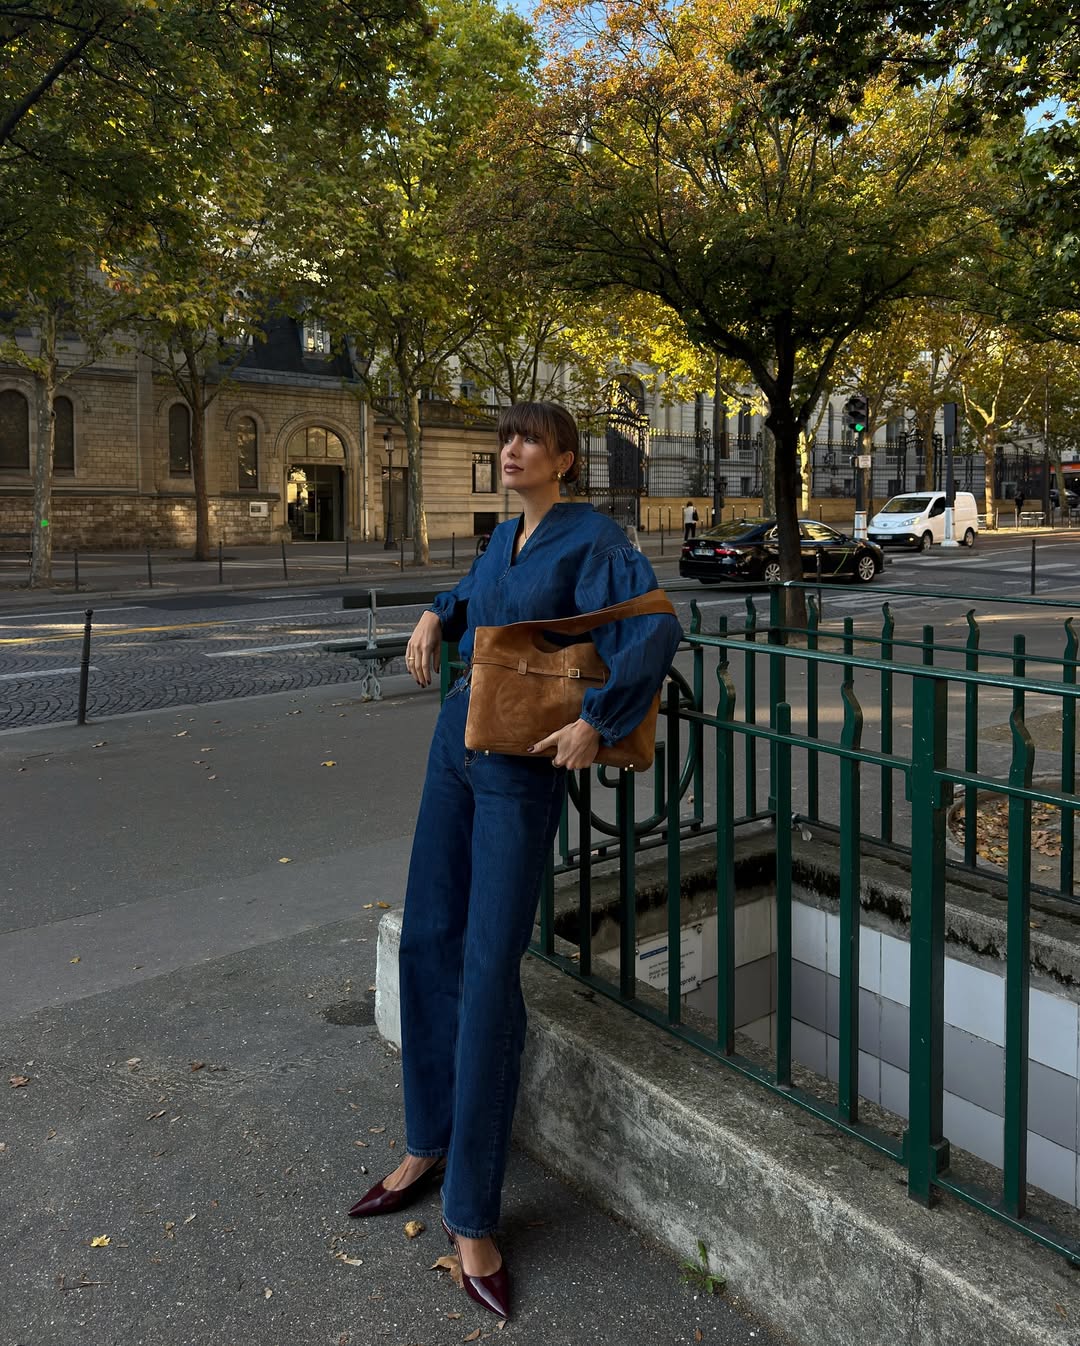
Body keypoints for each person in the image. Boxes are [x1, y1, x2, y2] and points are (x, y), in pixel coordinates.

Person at [346, 401, 682, 1320]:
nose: (510, 450)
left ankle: (473, 1216)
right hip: (457, 741)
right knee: (428, 941)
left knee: (491, 973)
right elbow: (474, 601)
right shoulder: (505, 539)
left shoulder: (594, 541)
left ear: (565, 459)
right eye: (505, 439)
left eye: (528, 440)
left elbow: (652, 627)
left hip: (522, 767)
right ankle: (426, 1141)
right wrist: (431, 611)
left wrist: (598, 722)